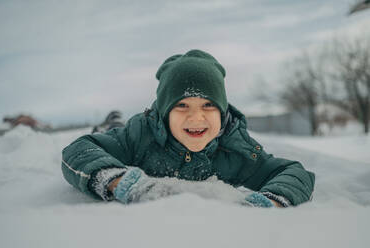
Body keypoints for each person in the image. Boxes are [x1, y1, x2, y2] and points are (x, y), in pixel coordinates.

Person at [61, 49, 315, 207]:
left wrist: (270, 201)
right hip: (127, 132)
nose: (196, 118)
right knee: (110, 132)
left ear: (223, 111)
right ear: (164, 113)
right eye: (181, 105)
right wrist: (118, 181)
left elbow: (293, 172)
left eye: (208, 106)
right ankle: (111, 121)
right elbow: (80, 149)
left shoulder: (235, 149)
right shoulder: (140, 134)